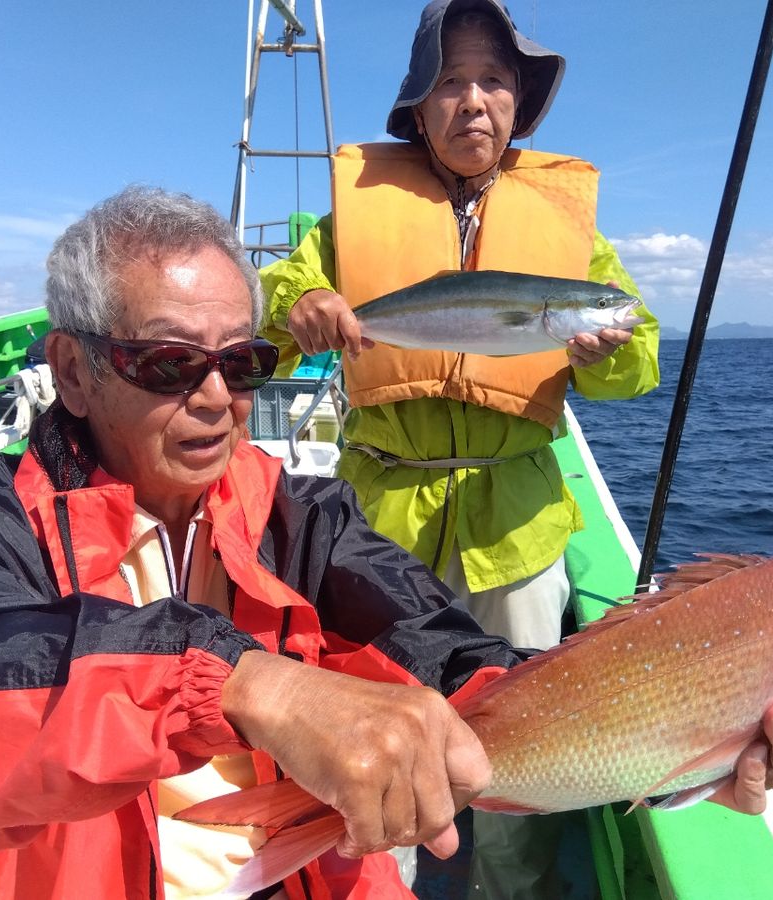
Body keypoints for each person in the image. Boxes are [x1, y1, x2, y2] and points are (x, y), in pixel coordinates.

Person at [0, 186, 773, 900]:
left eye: (245, 361)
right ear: (73, 370)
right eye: (172, 362)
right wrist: (251, 685)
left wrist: (693, 742)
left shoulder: (306, 516)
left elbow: (444, 650)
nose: (218, 398)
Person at [258, 1, 657, 893]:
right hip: (381, 523)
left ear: (519, 103)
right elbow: (283, 303)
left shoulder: (571, 234)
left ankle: (507, 887)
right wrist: (301, 307)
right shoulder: (348, 219)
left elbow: (637, 363)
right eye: (450, 81)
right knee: (378, 730)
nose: (472, 101)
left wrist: (613, 351)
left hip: (514, 520)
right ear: (417, 105)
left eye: (493, 81)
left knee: (516, 734)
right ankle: (381, 883)